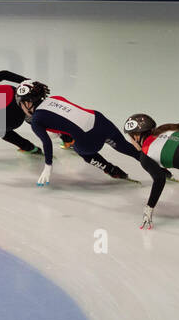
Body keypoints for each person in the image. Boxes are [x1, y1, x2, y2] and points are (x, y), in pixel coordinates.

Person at [15, 82, 168, 226]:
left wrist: (48, 165)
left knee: (83, 153)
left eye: (21, 103)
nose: (21, 107)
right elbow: (64, 119)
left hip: (88, 139)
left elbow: (46, 143)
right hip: (100, 121)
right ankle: (159, 169)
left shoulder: (36, 121)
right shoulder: (55, 98)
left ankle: (111, 169)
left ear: (28, 103)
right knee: (126, 148)